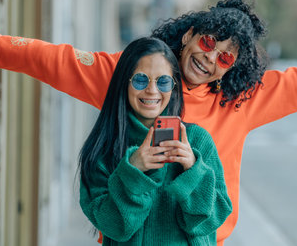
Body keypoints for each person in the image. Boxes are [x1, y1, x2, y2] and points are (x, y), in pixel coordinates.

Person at [0, 0, 297, 245]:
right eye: (207, 42)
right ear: (190, 34)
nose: (209, 58)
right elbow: (56, 60)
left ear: (233, 67)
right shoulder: (138, 76)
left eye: (224, 57)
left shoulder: (243, 100)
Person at [78, 37, 232, 245]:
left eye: (163, 82)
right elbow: (115, 227)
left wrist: (193, 170)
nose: (152, 90)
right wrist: (133, 171)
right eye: (141, 80)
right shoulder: (103, 147)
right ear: (124, 82)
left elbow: (210, 220)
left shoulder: (197, 141)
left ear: (173, 86)